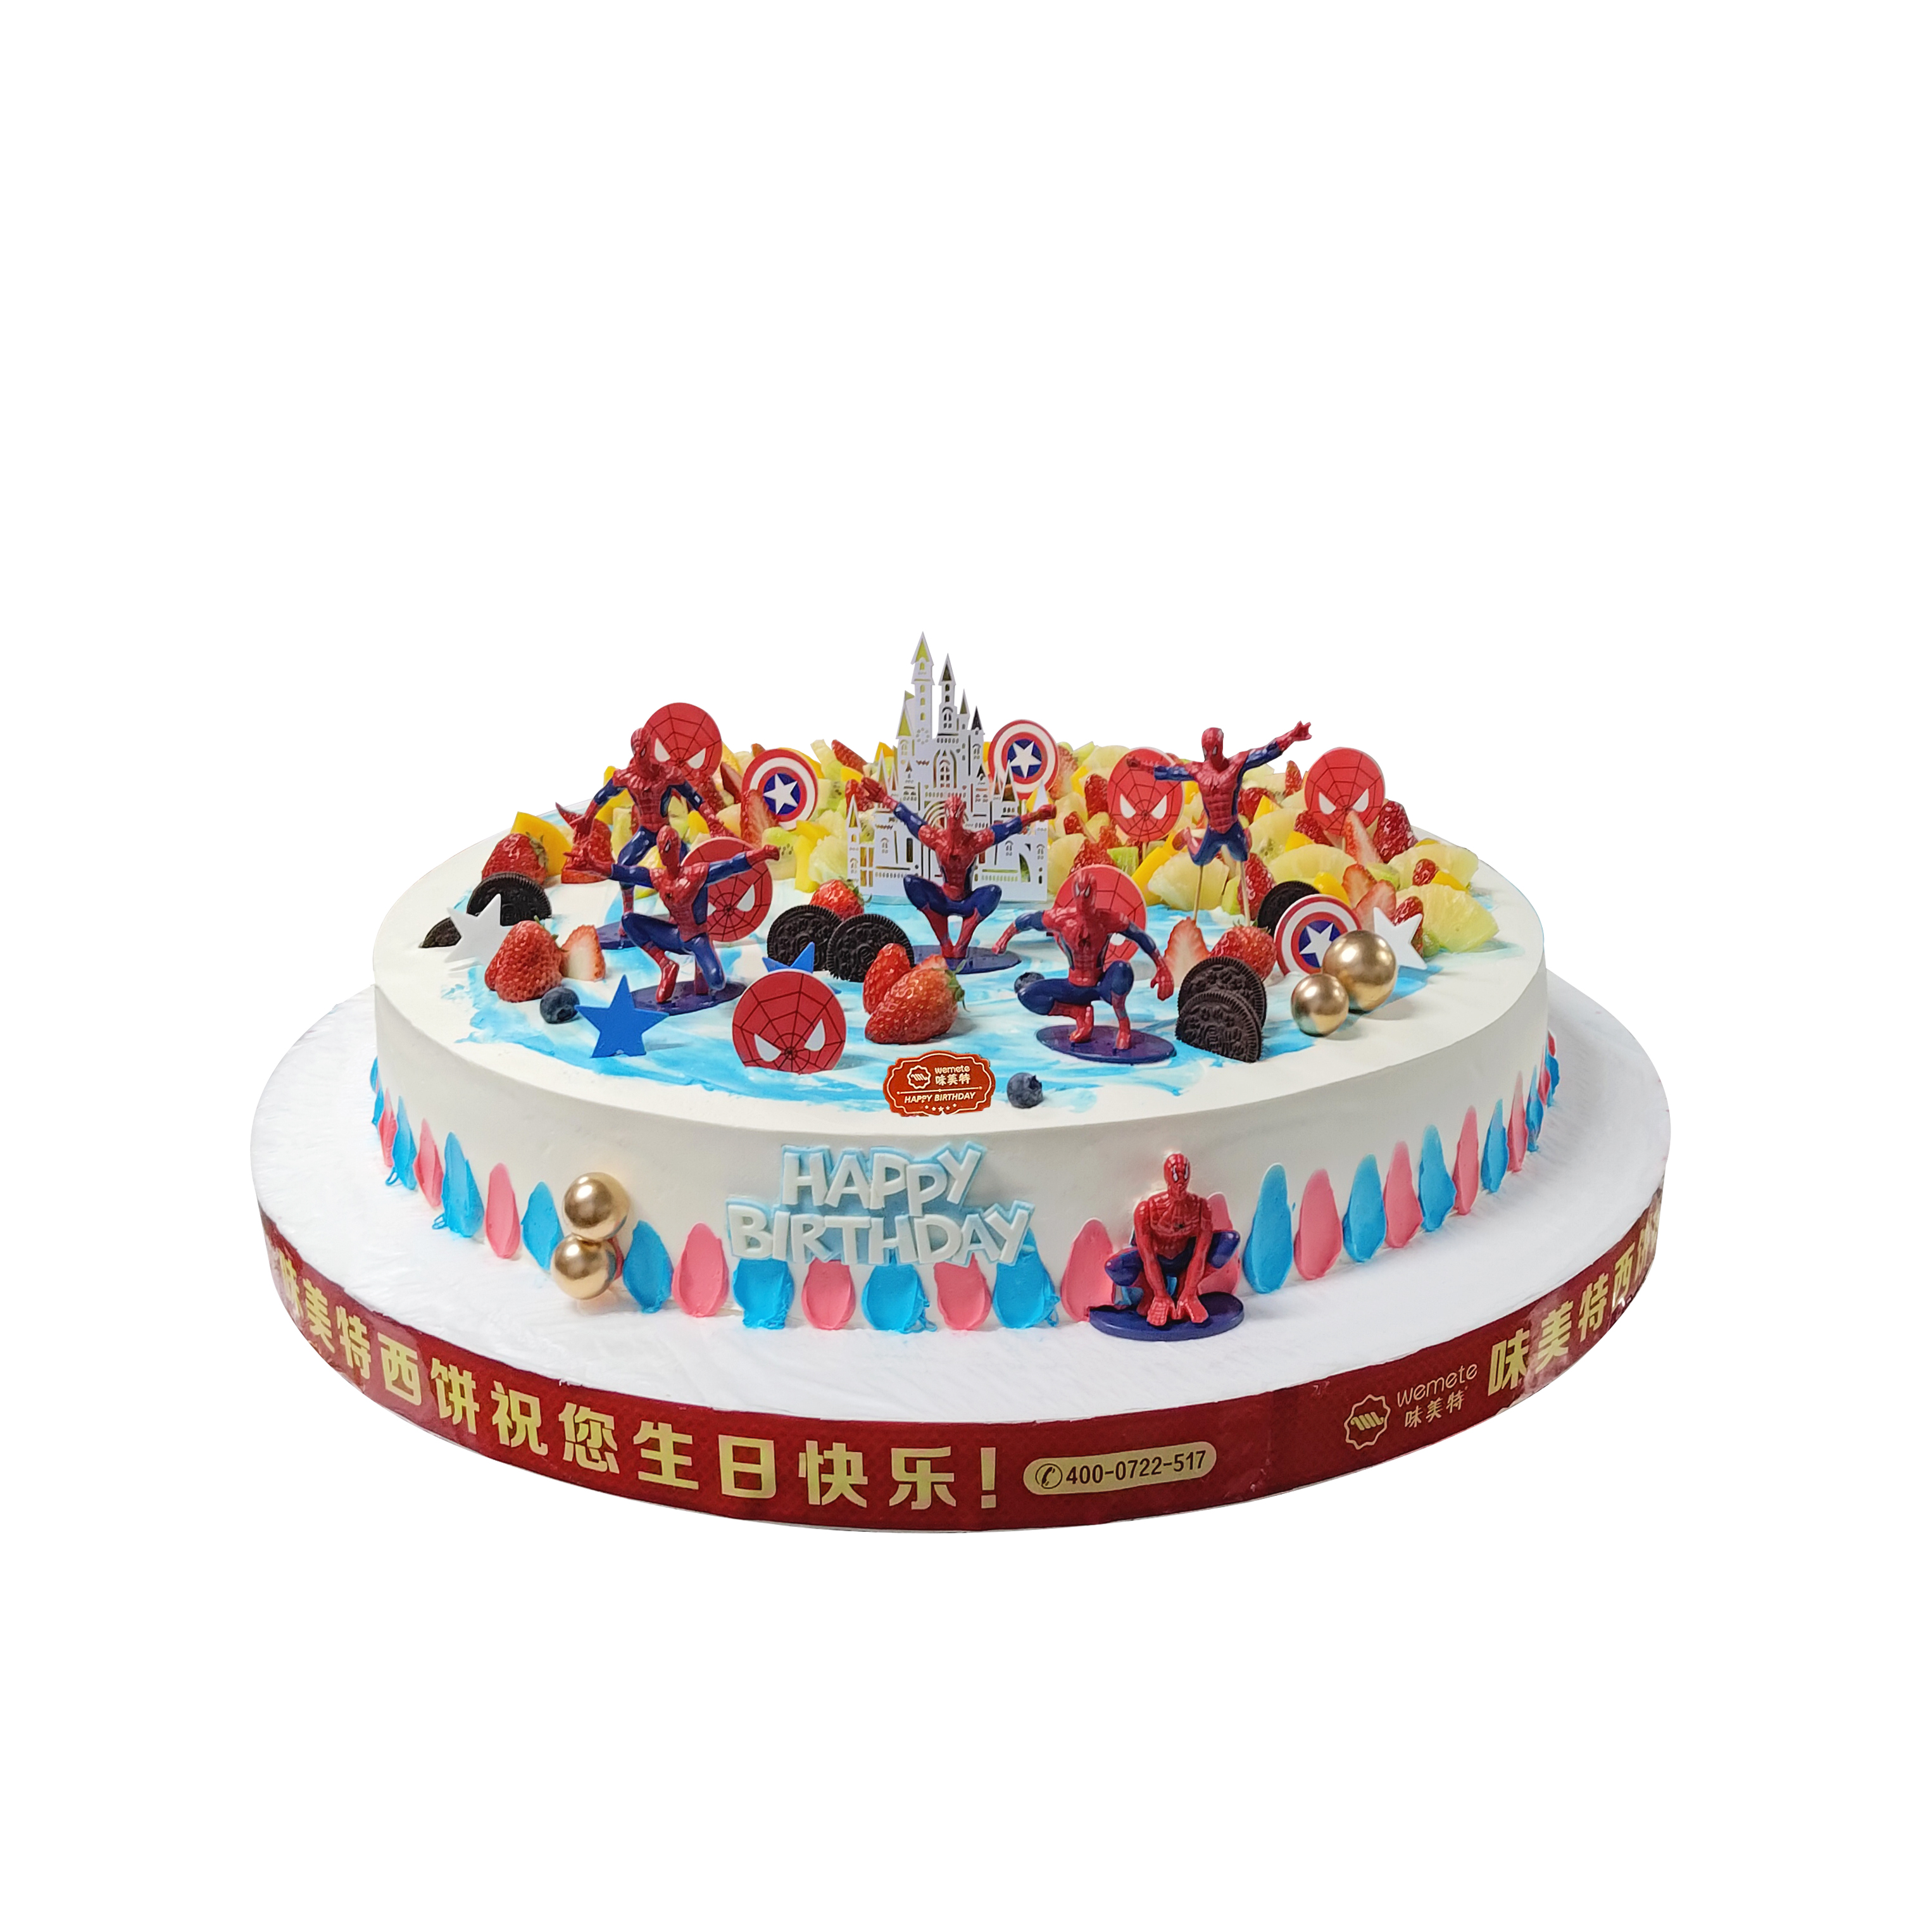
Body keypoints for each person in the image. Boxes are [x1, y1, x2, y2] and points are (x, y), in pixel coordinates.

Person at [853, 779, 1056, 962]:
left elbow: (1006, 829)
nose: (954, 818)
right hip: (942, 900)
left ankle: (961, 944)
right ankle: (945, 943)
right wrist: (884, 798)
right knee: (911, 883)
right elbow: (910, 819)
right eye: (951, 813)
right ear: (946, 815)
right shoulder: (936, 839)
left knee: (993, 892)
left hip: (968, 902)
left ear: (963, 815)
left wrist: (1036, 815)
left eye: (957, 813)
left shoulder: (975, 841)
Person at [991, 867, 1173, 1051]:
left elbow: (1139, 936)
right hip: (1072, 986)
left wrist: (1162, 967)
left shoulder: (1108, 920)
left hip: (1101, 985)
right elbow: (1027, 921)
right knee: (1027, 995)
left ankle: (1124, 1025)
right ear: (1074, 892)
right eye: (1079, 892)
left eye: (1087, 893)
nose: (1083, 899)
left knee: (1122, 969)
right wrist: (1003, 939)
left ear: (1094, 894)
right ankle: (1078, 1013)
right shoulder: (1061, 919)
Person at [614, 823, 779, 1005]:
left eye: (669, 847)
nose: (666, 853)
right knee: (629, 921)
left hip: (698, 939)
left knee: (716, 982)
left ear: (678, 848)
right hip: (674, 935)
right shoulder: (658, 877)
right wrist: (593, 865)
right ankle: (666, 965)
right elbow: (625, 873)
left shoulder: (696, 874)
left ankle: (701, 966)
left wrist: (762, 854)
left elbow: (731, 865)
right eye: (662, 849)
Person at [1146, 722, 1312, 872]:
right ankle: (1188, 836)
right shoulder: (1197, 770)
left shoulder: (1237, 764)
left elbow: (1266, 752)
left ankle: (1246, 835)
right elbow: (1168, 772)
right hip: (1213, 830)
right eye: (1206, 750)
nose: (1210, 755)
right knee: (1199, 859)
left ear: (1220, 746)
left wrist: (1290, 737)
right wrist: (1142, 766)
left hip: (1233, 827)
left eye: (1213, 749)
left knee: (1243, 855)